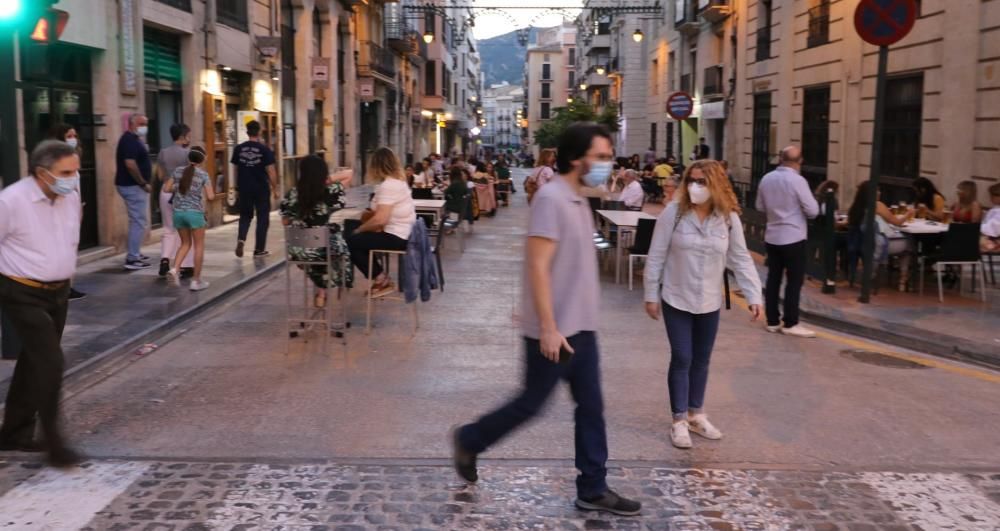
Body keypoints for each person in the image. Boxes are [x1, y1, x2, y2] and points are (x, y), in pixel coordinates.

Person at [453, 122, 642, 517]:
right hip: (556, 330)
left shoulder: (577, 199)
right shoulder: (552, 199)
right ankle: (470, 439)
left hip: (582, 327)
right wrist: (548, 327)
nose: (609, 163)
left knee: (591, 407)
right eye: (602, 156)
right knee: (530, 404)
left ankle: (593, 486)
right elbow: (537, 266)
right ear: (577, 158)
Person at [643, 160, 762, 449]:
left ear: (716, 185)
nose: (696, 187)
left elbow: (740, 258)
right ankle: (679, 420)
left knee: (702, 359)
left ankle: (697, 414)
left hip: (709, 300)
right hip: (676, 297)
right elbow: (656, 254)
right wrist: (650, 294)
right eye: (692, 181)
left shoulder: (728, 218)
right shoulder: (673, 213)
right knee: (682, 357)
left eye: (702, 182)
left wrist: (754, 294)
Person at [0, 140, 84, 467]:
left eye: (75, 171)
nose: (73, 178)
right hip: (20, 290)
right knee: (51, 361)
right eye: (66, 172)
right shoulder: (10, 202)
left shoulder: (70, 197)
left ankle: (13, 434)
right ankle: (55, 444)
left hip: (58, 291)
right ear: (41, 173)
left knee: (34, 362)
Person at [755, 146, 819, 338]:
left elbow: (759, 205)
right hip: (793, 235)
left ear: (781, 159)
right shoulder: (798, 181)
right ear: (799, 161)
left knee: (773, 278)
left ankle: (772, 321)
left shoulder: (767, 178)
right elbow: (813, 210)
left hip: (773, 235)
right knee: (794, 281)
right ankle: (791, 322)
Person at [280, 156, 353, 308]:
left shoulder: (292, 193)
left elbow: (285, 221)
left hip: (298, 250)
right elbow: (349, 174)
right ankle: (339, 284)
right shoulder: (329, 191)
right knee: (339, 247)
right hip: (322, 248)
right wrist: (327, 179)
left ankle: (321, 292)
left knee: (317, 252)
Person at [346, 148, 416, 297]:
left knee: (350, 241)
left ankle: (381, 278)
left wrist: (361, 230)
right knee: (349, 225)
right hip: (400, 232)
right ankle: (370, 273)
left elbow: (380, 219)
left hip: (396, 237)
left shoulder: (389, 186)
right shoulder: (397, 182)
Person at [162, 147, 215, 290]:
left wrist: (179, 189)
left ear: (189, 158)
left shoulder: (178, 171)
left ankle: (174, 270)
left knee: (185, 244)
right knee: (199, 246)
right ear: (202, 160)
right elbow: (210, 197)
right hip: (195, 214)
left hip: (178, 213)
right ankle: (196, 281)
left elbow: (166, 189)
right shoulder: (203, 175)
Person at [47, 124, 88, 301]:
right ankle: (62, 286)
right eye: (69, 135)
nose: (73, 138)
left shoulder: (72, 158)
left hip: (73, 207)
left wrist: (79, 206)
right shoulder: (54, 160)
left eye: (75, 135)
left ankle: (68, 285)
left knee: (71, 247)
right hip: (62, 209)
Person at [847, 181, 911, 290]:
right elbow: (897, 222)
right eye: (877, 190)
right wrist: (908, 214)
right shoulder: (878, 205)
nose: (879, 192)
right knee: (909, 244)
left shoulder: (856, 207)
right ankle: (902, 280)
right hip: (880, 243)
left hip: (863, 243)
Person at [232, 120, 278, 258]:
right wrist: (275, 188)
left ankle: (241, 239)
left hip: (244, 187)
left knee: (245, 215)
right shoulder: (265, 150)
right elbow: (271, 171)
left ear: (247, 132)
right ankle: (259, 250)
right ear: (259, 132)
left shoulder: (238, 149)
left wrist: (236, 186)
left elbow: (235, 169)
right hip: (261, 188)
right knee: (263, 218)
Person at [156, 123, 195, 278]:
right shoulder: (188, 154)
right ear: (183, 136)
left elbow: (159, 175)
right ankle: (186, 266)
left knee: (168, 228)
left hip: (165, 191)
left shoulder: (163, 153)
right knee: (186, 230)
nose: (189, 138)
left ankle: (165, 259)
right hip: (182, 194)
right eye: (189, 135)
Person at [115, 113, 153, 270]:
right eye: (142, 124)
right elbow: (130, 164)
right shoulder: (129, 140)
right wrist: (142, 182)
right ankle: (132, 258)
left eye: (146, 124)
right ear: (132, 124)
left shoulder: (134, 139)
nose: (145, 127)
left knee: (138, 221)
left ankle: (135, 252)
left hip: (132, 186)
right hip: (132, 186)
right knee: (138, 221)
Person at [981, 183, 1000, 253]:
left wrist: (975, 228)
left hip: (994, 241)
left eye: (992, 195)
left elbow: (992, 229)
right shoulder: (995, 209)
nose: (990, 197)